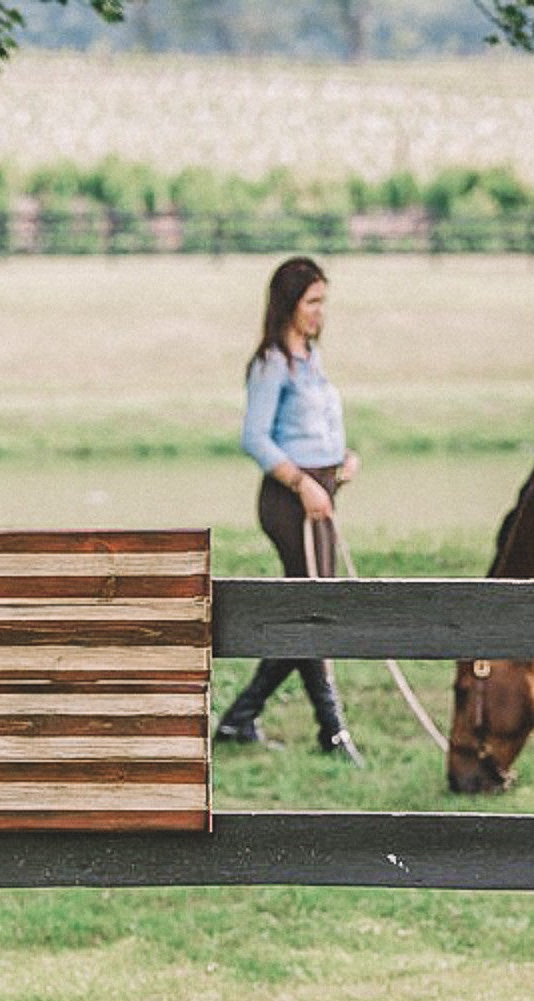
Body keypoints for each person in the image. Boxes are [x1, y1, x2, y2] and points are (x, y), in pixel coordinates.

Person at [214, 255, 365, 766]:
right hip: (290, 500)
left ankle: (240, 718)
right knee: (312, 611)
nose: (322, 312)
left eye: (324, 301)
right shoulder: (272, 363)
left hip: (320, 492)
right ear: (290, 304)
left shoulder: (310, 358)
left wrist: (341, 457)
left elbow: (314, 424)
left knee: (310, 609)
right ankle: (333, 732)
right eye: (313, 302)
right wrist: (303, 482)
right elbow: (254, 437)